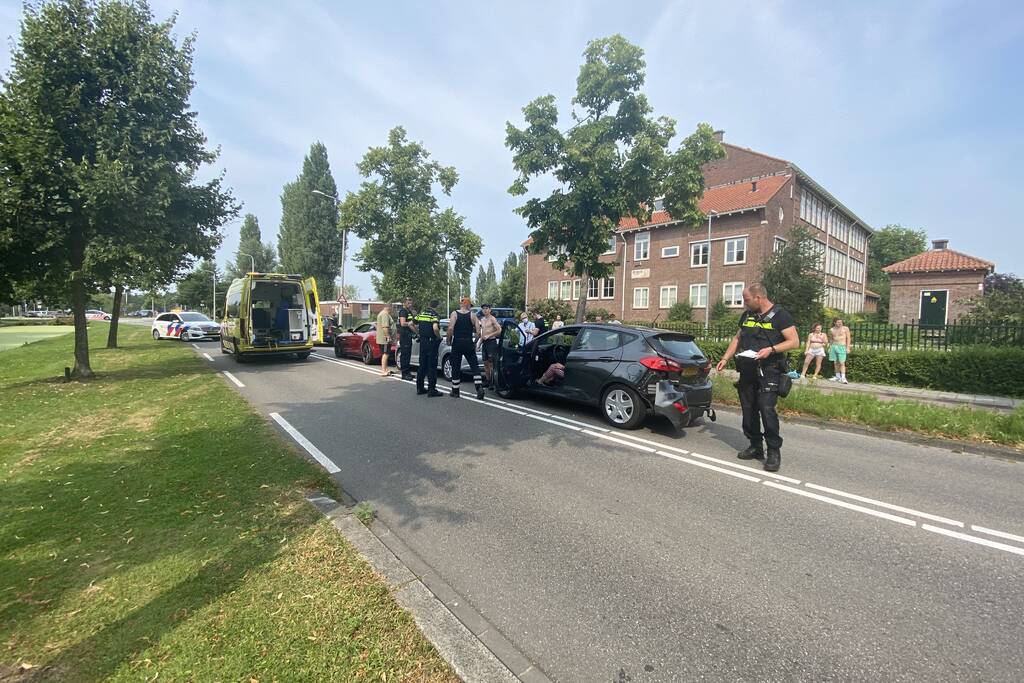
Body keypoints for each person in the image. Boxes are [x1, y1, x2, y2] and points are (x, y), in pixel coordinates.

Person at [715, 283, 800, 472]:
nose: (744, 304)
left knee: (766, 409)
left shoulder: (780, 315)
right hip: (747, 369)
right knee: (748, 409)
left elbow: (794, 342)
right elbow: (738, 338)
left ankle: (773, 452)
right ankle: (755, 446)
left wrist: (771, 350)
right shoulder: (747, 316)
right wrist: (725, 358)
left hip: (770, 369)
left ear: (758, 298)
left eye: (746, 300)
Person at [447, 297, 485, 400]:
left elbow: (450, 328)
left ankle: (455, 391)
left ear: (461, 304)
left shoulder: (454, 314)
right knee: (474, 366)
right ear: (468, 305)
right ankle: (479, 388)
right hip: (468, 342)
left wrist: (449, 340)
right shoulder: (473, 315)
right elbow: (478, 332)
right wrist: (475, 342)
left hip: (457, 342)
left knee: (456, 366)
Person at [413, 300, 443, 397]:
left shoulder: (422, 313)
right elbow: (435, 328)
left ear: (429, 305)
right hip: (431, 343)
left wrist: (418, 333)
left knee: (422, 365)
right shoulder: (434, 315)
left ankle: (419, 388)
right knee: (432, 366)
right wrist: (439, 337)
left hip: (423, 342)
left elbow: (410, 324)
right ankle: (431, 390)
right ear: (437, 306)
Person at [478, 303, 502, 387]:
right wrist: (478, 344)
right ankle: (488, 380)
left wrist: (490, 335)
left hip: (491, 342)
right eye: (483, 308)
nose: (485, 310)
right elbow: (483, 333)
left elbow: (499, 330)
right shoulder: (482, 319)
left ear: (490, 309)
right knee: (485, 363)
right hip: (484, 343)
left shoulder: (493, 319)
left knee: (492, 364)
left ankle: (493, 382)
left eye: (486, 308)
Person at [828, 317, 852, 384]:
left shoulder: (845, 328)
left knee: (842, 363)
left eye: (841, 322)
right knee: (835, 362)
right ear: (834, 323)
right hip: (834, 346)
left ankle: (843, 378)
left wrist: (848, 348)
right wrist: (830, 347)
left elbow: (848, 338)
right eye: (838, 322)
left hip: (842, 346)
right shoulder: (831, 330)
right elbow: (831, 339)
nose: (840, 323)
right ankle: (837, 376)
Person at [397, 297, 416, 381]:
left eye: (411, 303)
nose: (410, 305)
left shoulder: (409, 311)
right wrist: (410, 323)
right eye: (408, 303)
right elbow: (403, 323)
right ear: (404, 303)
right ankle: (404, 374)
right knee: (404, 355)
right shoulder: (403, 311)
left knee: (408, 355)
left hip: (408, 336)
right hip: (404, 336)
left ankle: (407, 372)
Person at [375, 303, 395, 376]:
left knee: (386, 353)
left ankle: (386, 369)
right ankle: (383, 371)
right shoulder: (385, 314)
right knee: (385, 354)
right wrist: (388, 336)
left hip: (383, 338)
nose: (392, 310)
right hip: (384, 339)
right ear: (388, 307)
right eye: (392, 308)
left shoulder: (383, 314)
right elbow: (385, 327)